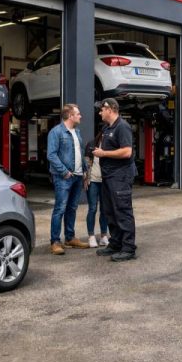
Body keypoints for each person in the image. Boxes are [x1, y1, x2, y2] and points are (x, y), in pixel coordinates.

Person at [93, 98, 137, 262]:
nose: (100, 112)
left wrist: (103, 154)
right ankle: (116, 243)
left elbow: (126, 152)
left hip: (121, 176)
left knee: (122, 210)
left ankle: (128, 248)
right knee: (109, 211)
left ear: (110, 109)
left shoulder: (122, 127)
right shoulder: (107, 128)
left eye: (101, 109)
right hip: (108, 176)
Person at [47, 103, 90, 255]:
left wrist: (85, 172)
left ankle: (70, 237)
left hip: (78, 176)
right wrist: (64, 172)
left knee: (72, 208)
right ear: (70, 116)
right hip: (64, 177)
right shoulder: (56, 132)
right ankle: (55, 241)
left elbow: (80, 153)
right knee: (60, 208)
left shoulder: (76, 132)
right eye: (78, 113)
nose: (80, 116)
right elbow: (51, 155)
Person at [84, 131, 110, 248]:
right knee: (92, 208)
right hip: (93, 181)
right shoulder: (91, 145)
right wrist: (85, 179)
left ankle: (104, 236)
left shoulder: (110, 147)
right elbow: (86, 163)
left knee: (104, 209)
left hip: (105, 182)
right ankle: (91, 236)